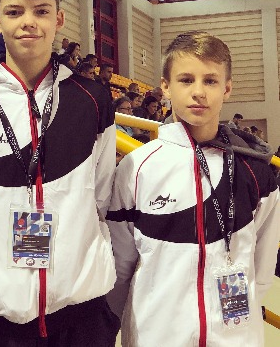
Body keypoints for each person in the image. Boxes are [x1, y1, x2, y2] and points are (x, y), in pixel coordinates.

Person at [0, 0, 119, 346]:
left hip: (82, 313)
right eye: (15, 11)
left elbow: (101, 196)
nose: (28, 22)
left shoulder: (92, 99)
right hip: (1, 315)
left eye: (41, 11)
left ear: (59, 19)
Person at [108, 31, 279, 347]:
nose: (198, 92)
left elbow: (263, 267)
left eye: (210, 81)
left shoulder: (256, 172)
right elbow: (121, 267)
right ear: (165, 87)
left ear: (227, 88)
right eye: (186, 80)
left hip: (237, 338)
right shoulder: (136, 168)